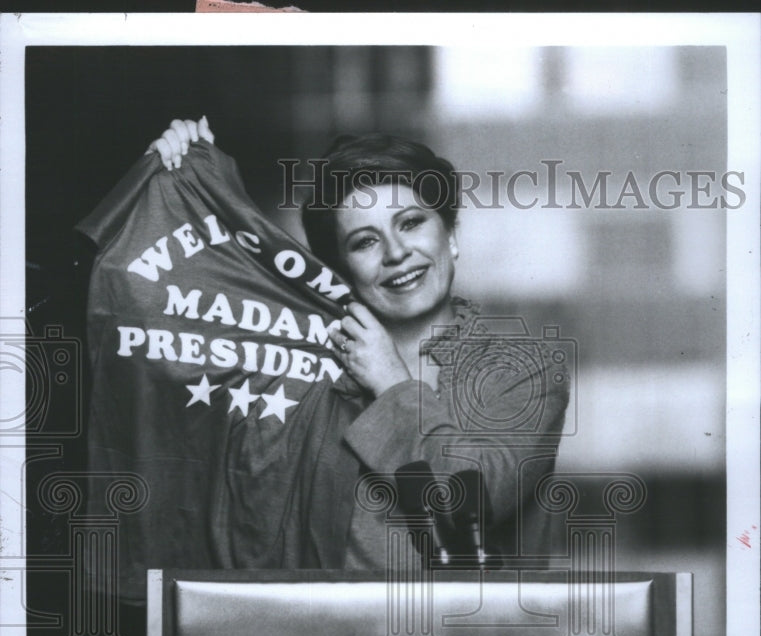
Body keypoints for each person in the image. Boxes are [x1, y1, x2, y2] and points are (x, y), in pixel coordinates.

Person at [147, 118, 570, 570]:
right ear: (341, 270)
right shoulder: (306, 371)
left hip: (472, 635)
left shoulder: (524, 368)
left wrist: (390, 383)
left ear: (450, 236)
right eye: (365, 241)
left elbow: (468, 506)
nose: (395, 252)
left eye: (410, 223)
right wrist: (192, 179)